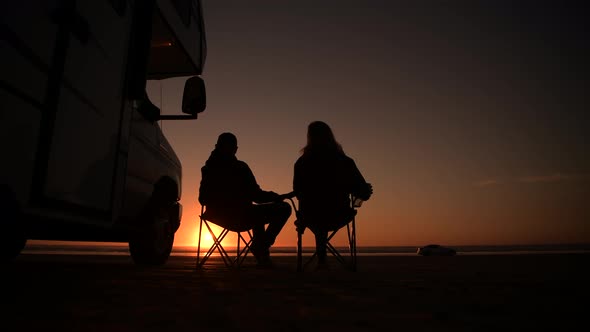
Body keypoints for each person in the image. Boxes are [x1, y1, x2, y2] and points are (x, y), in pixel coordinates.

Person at [198, 132, 292, 267]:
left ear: (216, 146)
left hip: (216, 216)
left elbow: (202, 200)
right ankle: (261, 246)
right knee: (283, 208)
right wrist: (277, 197)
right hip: (241, 217)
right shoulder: (240, 168)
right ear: (235, 149)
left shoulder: (208, 168)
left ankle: (261, 249)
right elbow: (257, 196)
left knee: (255, 213)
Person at [293, 121, 373, 268]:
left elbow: (298, 192)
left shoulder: (302, 163)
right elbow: (361, 191)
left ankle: (321, 259)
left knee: (318, 219)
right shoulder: (345, 162)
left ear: (309, 137)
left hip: (310, 215)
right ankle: (323, 260)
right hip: (339, 213)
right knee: (323, 216)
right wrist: (365, 191)